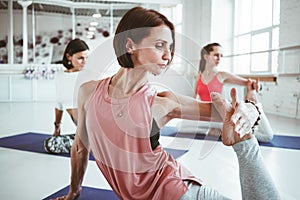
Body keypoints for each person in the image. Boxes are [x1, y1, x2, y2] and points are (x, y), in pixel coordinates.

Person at [54, 7, 280, 200]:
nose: (168, 55)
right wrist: (75, 192)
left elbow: (225, 113)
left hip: (179, 191)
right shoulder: (88, 92)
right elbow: (80, 147)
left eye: (170, 48)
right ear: (130, 46)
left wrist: (251, 110)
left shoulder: (162, 102)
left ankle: (246, 147)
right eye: (160, 45)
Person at [193, 42, 273, 142]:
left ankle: (253, 108)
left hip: (223, 116)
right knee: (183, 127)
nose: (219, 58)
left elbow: (249, 82)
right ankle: (219, 129)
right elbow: (193, 98)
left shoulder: (222, 75)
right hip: (210, 117)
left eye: (221, 56)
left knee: (267, 136)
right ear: (206, 56)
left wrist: (257, 86)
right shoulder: (198, 77)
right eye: (216, 55)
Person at [44, 38, 89, 154]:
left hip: (98, 128)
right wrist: (57, 127)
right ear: (69, 57)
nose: (85, 61)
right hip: (85, 132)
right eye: (80, 58)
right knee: (51, 144)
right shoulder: (60, 76)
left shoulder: (89, 76)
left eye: (87, 58)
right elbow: (59, 104)